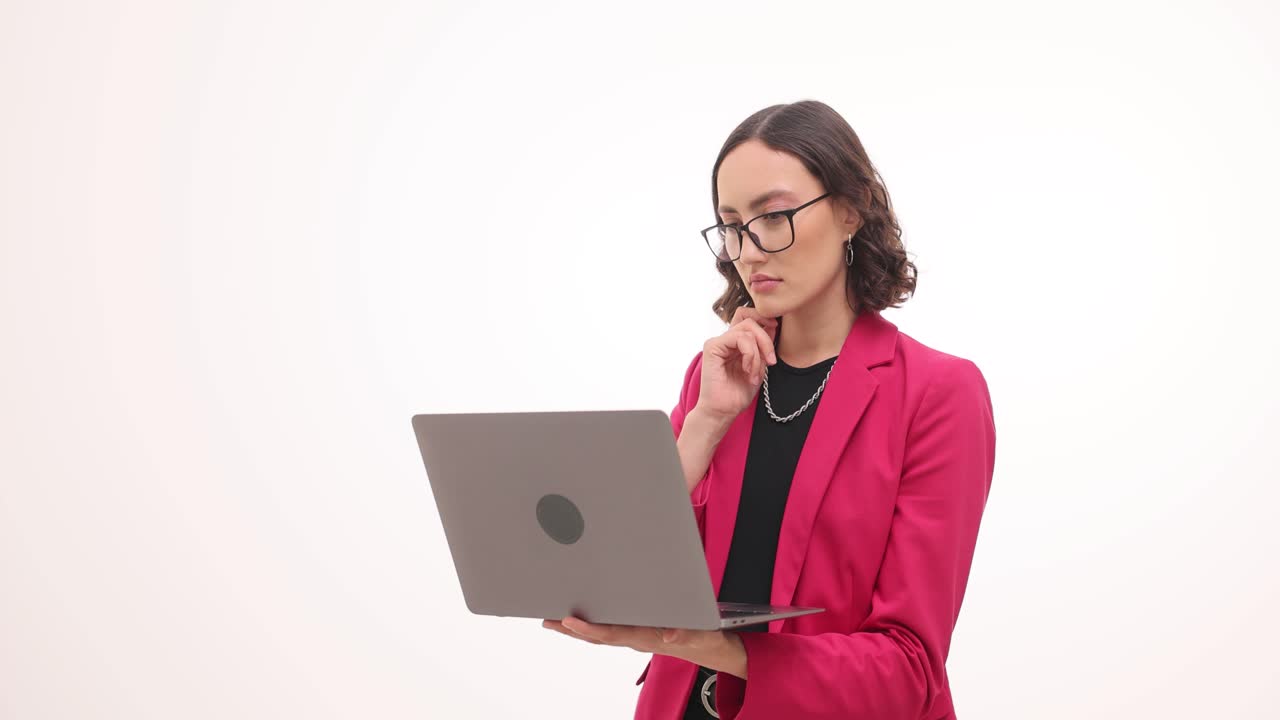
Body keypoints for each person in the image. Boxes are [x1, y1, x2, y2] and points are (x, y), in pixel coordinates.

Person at [542, 99, 997, 719]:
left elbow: (908, 667)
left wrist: (723, 651)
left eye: (774, 215)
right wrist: (704, 425)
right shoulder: (715, 380)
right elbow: (620, 571)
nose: (748, 251)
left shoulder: (937, 393)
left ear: (849, 210)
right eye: (730, 224)